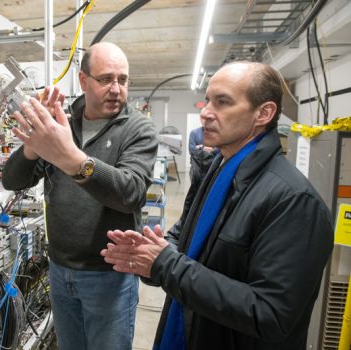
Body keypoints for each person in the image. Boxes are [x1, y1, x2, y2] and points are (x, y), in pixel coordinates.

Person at [101, 61, 333, 350]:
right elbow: (188, 236)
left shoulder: (294, 202)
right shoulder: (219, 169)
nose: (205, 112)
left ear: (264, 113)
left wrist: (167, 265)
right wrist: (152, 251)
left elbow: (271, 314)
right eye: (208, 100)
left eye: (222, 102)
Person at [2, 42, 158, 350]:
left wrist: (73, 159)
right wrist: (34, 144)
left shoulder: (138, 129)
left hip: (109, 276)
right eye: (106, 79)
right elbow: (12, 180)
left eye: (122, 80)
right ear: (84, 81)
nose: (116, 88)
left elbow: (131, 193)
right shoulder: (63, 122)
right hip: (59, 269)